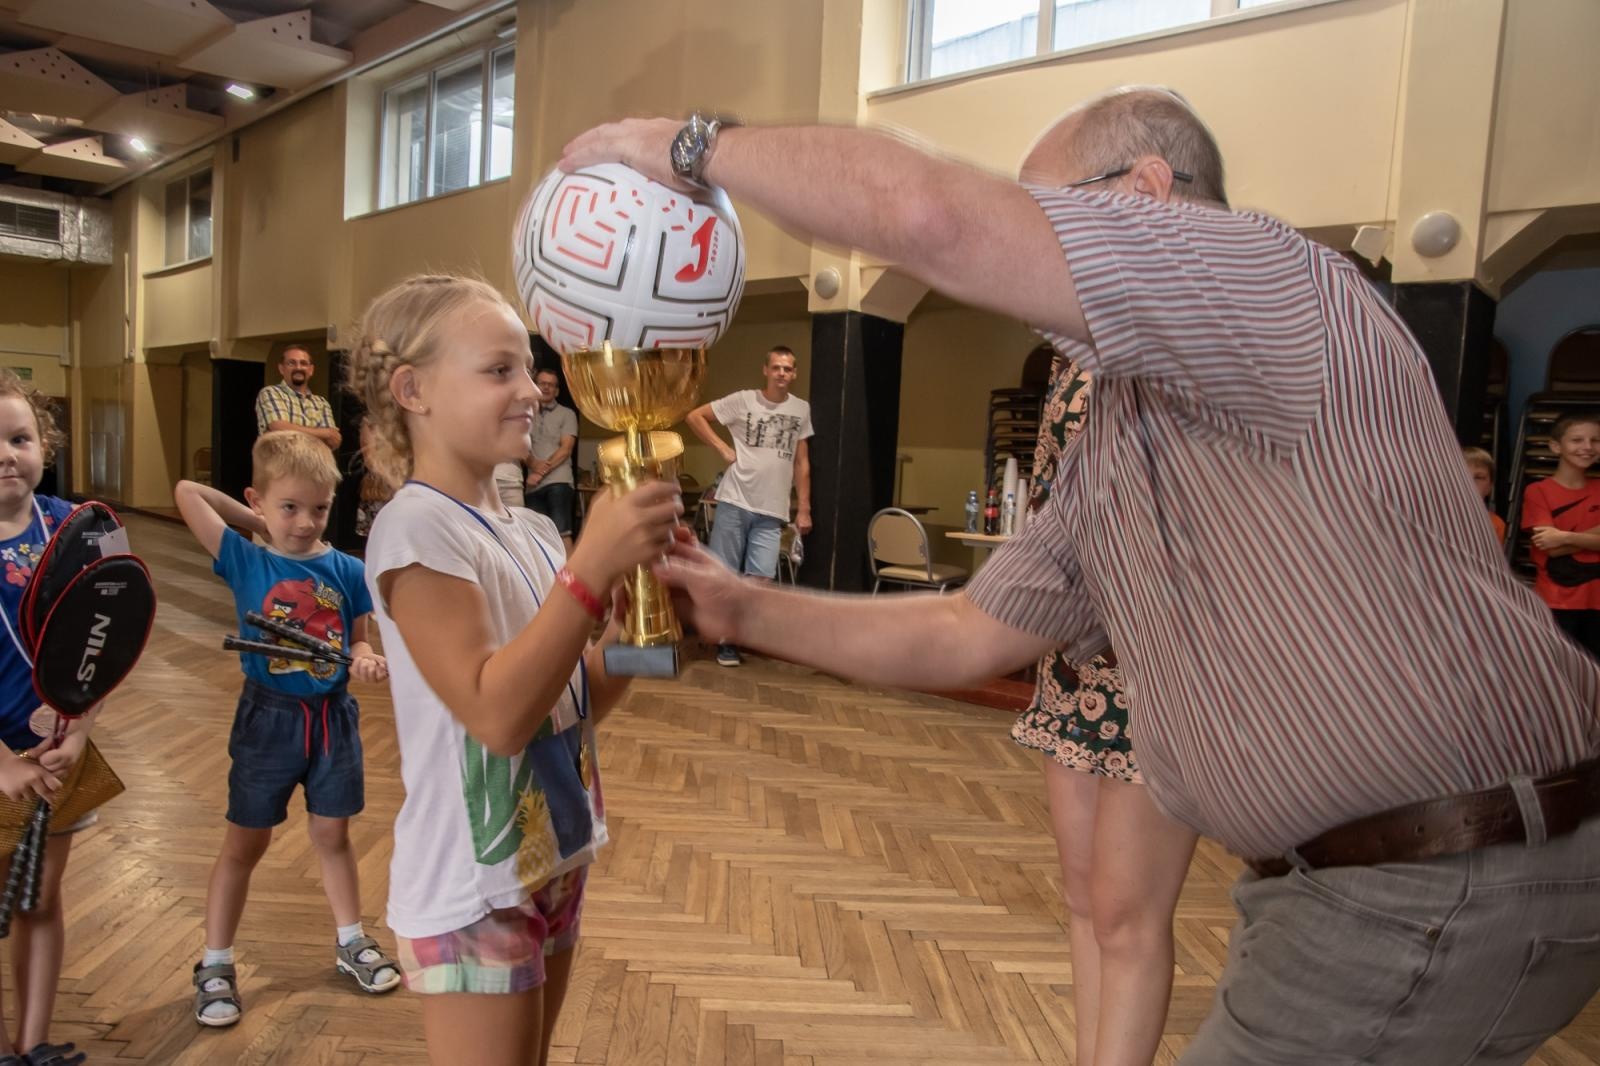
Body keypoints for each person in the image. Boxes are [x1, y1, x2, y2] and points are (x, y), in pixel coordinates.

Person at [564, 91, 1600, 1064]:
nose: (1028, 268)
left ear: (1147, 195)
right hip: (1401, 882)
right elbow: (969, 629)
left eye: (1047, 211)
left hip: (1432, 880)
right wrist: (736, 603)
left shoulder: (1264, 273)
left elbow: (930, 216)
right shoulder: (1117, 435)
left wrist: (686, 146)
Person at [345, 274, 680, 1066]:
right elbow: (496, 714)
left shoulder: (530, 529)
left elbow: (569, 699)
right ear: (412, 390)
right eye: (500, 371)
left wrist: (645, 628)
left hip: (552, 849)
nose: (531, 390)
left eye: (527, 369)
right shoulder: (413, 527)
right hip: (472, 881)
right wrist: (592, 568)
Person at [174, 432, 398, 1029]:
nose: (304, 523)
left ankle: (350, 939)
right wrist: (261, 522)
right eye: (289, 507)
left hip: (332, 720)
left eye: (318, 509)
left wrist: (367, 655)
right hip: (266, 719)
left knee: (333, 835)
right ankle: (215, 961)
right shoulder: (246, 557)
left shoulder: (348, 568)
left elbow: (356, 637)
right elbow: (187, 490)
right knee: (245, 844)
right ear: (258, 500)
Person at [1012, 356, 1196, 1066]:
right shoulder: (1064, 362)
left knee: (1129, 915)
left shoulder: (1169, 345)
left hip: (1157, 652)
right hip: (1073, 651)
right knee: (1085, 898)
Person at [0, 370, 91, 1066]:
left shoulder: (77, 525)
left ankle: (33, 1044)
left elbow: (112, 631)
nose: (8, 453)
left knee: (41, 897)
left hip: (63, 750)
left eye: (20, 437)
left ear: (43, 444)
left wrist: (81, 725)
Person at [684, 346, 812, 667]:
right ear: (765, 370)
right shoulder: (743, 400)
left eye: (788, 369)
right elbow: (694, 416)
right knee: (723, 573)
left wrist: (804, 508)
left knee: (760, 578)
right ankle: (724, 638)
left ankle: (735, 632)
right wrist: (724, 449)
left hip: (773, 509)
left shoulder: (801, 409)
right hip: (735, 500)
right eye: (777, 368)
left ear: (794, 374)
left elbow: (802, 463)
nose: (782, 373)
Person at [1523, 414, 1600, 658]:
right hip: (1557, 600)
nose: (1587, 447)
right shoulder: (1538, 491)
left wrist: (1564, 536)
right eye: (1577, 440)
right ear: (1556, 446)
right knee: (1558, 672)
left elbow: (1557, 541)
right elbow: (1550, 547)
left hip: (1597, 602)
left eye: (1595, 440)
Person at [523, 368, 579, 549]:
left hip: (559, 482)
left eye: (551, 385)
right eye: (542, 383)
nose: (546, 388)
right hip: (532, 486)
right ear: (535, 385)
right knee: (537, 538)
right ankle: (546, 578)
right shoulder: (525, 413)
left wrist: (540, 472)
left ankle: (571, 578)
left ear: (557, 390)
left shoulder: (567, 413)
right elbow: (521, 447)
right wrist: (533, 466)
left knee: (562, 534)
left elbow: (566, 449)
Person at [255, 344, 342, 451]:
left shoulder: (321, 403)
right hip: (279, 467)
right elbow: (278, 428)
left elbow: (333, 441)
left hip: (312, 467)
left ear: (311, 370)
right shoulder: (270, 393)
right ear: (281, 368)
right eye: (291, 363)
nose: (298, 367)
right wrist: (324, 433)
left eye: (303, 363)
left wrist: (290, 431)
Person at [1462, 445, 1508, 545]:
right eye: (1463, 475)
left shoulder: (1496, 525)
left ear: (1490, 487)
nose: (1470, 482)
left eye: (1479, 477)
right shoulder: (1434, 518)